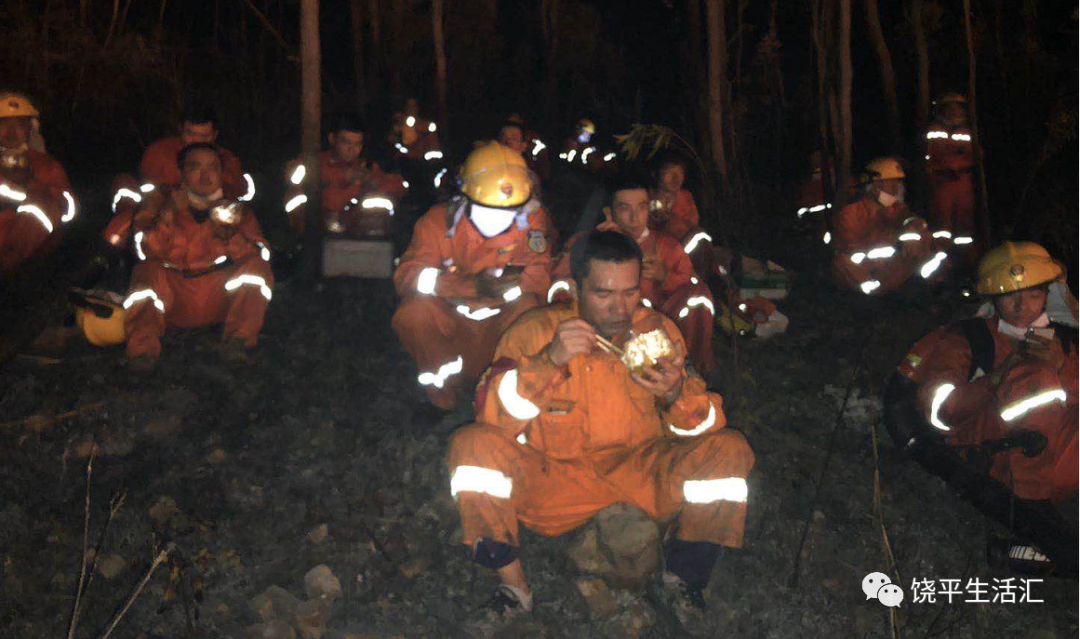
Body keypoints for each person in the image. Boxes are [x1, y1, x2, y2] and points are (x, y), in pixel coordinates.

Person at [447, 230, 754, 618]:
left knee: (730, 450)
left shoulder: (657, 332)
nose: (619, 308)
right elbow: (492, 418)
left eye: (629, 292)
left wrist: (676, 394)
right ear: (577, 287)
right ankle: (514, 590)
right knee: (470, 446)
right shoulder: (536, 331)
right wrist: (549, 361)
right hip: (556, 478)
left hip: (640, 473)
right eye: (603, 294)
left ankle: (684, 580)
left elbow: (705, 427)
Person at [896, 241, 1077, 501]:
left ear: (1047, 295)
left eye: (1033, 295)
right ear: (993, 297)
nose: (1022, 306)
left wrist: (1060, 365)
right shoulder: (969, 339)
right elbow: (940, 412)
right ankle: (1029, 511)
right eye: (1010, 296)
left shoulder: (1059, 340)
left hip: (1054, 457)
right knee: (1034, 378)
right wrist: (1000, 375)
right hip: (993, 456)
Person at [392, 142, 554, 411]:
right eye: (489, 210)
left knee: (530, 311)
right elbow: (407, 276)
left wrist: (506, 287)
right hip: (449, 326)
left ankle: (503, 395)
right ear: (465, 197)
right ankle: (442, 396)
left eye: (509, 212)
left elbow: (540, 275)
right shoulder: (436, 223)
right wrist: (466, 286)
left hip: (499, 328)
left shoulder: (532, 222)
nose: (500, 220)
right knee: (412, 313)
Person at [122, 143, 273, 371]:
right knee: (147, 273)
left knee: (256, 268)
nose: (205, 175)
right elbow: (145, 250)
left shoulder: (236, 210)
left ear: (221, 174)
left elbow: (261, 254)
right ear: (182, 173)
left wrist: (229, 236)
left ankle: (238, 343)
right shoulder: (159, 203)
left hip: (217, 296)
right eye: (196, 167)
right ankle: (142, 353)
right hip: (173, 298)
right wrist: (169, 213)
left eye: (212, 167)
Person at [551, 174, 717, 374]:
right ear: (609, 212)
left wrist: (665, 276)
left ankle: (691, 365)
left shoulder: (665, 245)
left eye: (641, 207)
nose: (635, 217)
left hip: (657, 321)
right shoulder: (587, 243)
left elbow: (691, 280)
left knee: (699, 295)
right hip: (604, 324)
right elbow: (557, 287)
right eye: (624, 208)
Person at [103, 105, 249, 250]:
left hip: (208, 215)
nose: (196, 141)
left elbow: (237, 191)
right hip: (162, 210)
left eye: (203, 136)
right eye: (191, 134)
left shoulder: (226, 160)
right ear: (181, 130)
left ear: (214, 135)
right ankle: (110, 254)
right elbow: (150, 187)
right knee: (128, 220)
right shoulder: (159, 152)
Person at [830, 157, 941, 296]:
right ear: (875, 186)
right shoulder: (851, 213)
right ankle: (872, 300)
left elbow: (913, 221)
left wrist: (913, 228)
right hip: (867, 275)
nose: (897, 188)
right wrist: (881, 220)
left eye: (898, 182)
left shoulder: (899, 210)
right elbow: (851, 250)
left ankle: (928, 289)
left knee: (921, 236)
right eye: (891, 183)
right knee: (841, 263)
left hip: (893, 274)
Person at [283, 114, 406, 236]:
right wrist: (341, 175)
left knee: (380, 202)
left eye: (357, 144)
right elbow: (293, 178)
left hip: (355, 234)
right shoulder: (314, 163)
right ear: (332, 139)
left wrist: (373, 181)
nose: (352, 149)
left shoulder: (365, 167)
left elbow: (397, 185)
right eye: (346, 142)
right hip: (313, 232)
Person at [0, 92, 75, 277]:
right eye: (4, 124)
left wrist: (35, 187)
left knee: (41, 204)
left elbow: (68, 209)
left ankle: (9, 270)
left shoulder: (46, 164)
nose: (11, 131)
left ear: (30, 128)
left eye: (18, 124)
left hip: (31, 244)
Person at [925, 92, 977, 262]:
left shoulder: (969, 130)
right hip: (941, 183)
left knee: (965, 225)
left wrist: (961, 163)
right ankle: (941, 262)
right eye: (950, 108)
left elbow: (975, 155)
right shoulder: (934, 130)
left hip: (963, 182)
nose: (954, 112)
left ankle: (966, 261)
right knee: (941, 225)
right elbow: (932, 156)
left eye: (958, 108)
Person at [387, 97, 442, 163]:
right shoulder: (400, 124)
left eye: (414, 106)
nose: (411, 109)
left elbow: (433, 144)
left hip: (421, 160)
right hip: (404, 159)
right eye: (409, 106)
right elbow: (392, 140)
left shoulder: (425, 125)